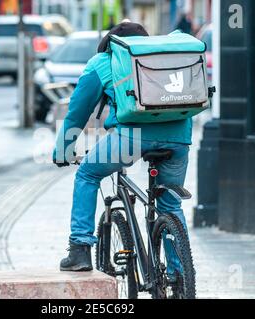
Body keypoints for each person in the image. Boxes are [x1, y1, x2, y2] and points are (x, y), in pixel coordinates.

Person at [53, 22, 192, 281]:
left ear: (111, 44)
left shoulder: (102, 62)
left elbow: (77, 113)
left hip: (131, 139)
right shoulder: (161, 58)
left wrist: (63, 150)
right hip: (178, 137)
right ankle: (180, 275)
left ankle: (79, 249)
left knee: (87, 175)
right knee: (170, 205)